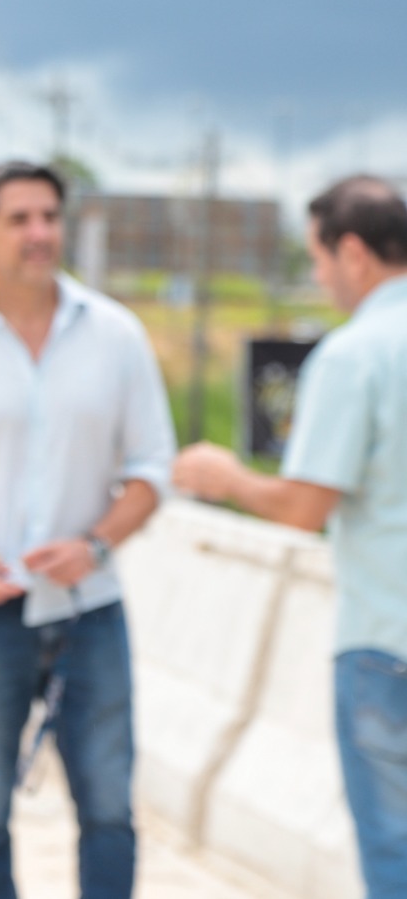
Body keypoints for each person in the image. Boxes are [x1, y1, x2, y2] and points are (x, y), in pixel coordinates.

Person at [0, 160, 176, 899]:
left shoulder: (115, 334)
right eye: (20, 218)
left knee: (111, 811)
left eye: (50, 216)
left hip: (90, 611)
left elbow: (153, 469)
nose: (40, 232)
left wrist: (96, 544)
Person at [174, 175, 407, 898]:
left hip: (387, 645)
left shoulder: (355, 353)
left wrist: (225, 476)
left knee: (395, 855)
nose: (318, 276)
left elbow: (305, 504)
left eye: (317, 259)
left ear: (353, 251)